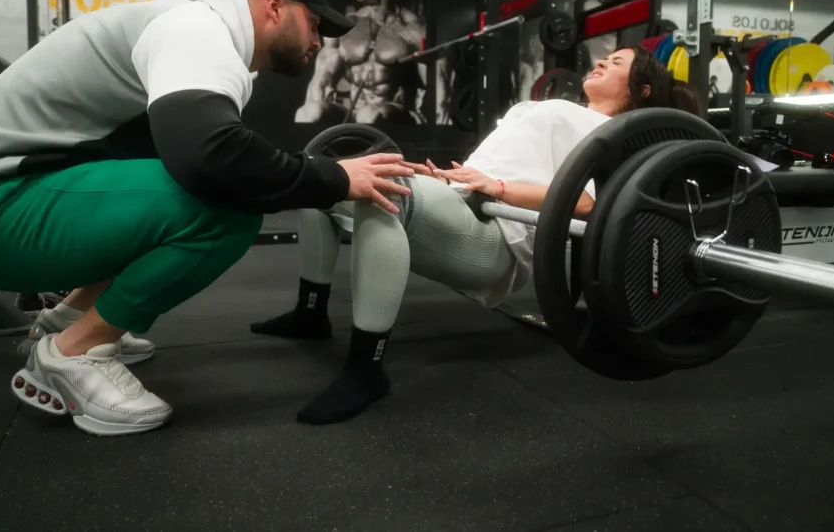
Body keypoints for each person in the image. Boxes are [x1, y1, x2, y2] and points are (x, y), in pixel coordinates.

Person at [0, 0, 417, 437]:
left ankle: (66, 319)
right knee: (227, 207)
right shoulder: (196, 30)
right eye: (315, 24)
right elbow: (213, 159)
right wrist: (333, 178)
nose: (318, 42)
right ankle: (74, 353)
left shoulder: (190, 26)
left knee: (191, 187)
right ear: (273, 5)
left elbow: (190, 156)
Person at [251, 45, 704, 425]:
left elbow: (585, 204)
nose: (602, 61)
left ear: (641, 91)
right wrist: (453, 181)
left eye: (618, 62)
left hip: (497, 238)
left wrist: (496, 187)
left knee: (382, 194)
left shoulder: (605, 133)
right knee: (328, 179)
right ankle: (310, 313)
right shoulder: (566, 112)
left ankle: (366, 370)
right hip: (470, 206)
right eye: (605, 56)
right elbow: (502, 167)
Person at [294, 0, 451, 125]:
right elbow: (321, 82)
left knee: (369, 116)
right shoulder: (345, 26)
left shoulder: (412, 29)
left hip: (394, 112)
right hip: (353, 113)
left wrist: (439, 130)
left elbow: (439, 82)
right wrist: (313, 112)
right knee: (309, 112)